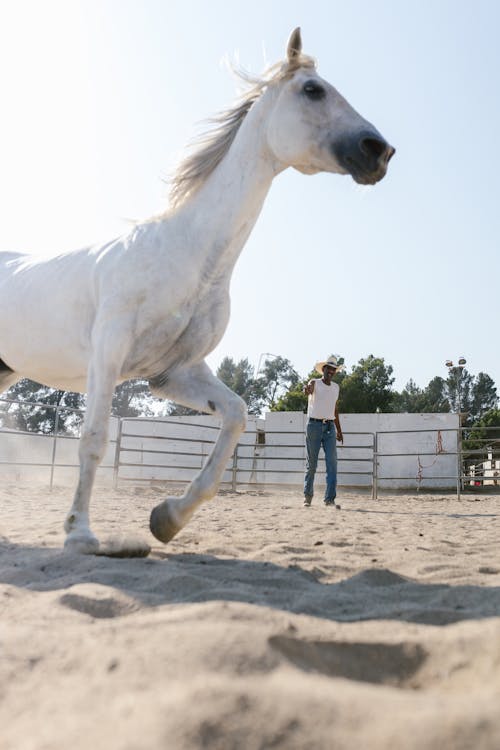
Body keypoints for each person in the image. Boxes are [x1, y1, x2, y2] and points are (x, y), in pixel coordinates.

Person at [303, 355, 343, 508]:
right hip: (313, 426)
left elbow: (335, 408)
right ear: (324, 369)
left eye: (334, 369)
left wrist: (339, 430)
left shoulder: (336, 388)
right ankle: (308, 496)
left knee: (332, 463)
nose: (332, 371)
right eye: (329, 369)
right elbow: (308, 390)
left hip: (330, 427)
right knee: (312, 464)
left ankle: (330, 499)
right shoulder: (314, 383)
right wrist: (306, 390)